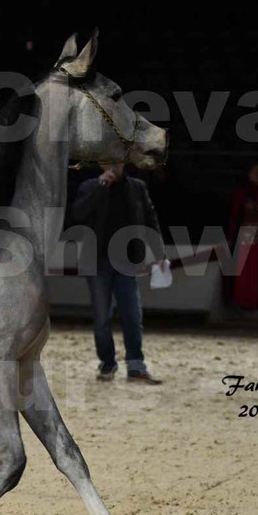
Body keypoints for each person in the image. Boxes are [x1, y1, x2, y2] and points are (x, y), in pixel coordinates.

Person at [70, 163, 167, 384]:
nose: (113, 165)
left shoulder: (137, 187)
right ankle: (107, 364)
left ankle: (136, 367)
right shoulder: (90, 186)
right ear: (101, 164)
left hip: (127, 262)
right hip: (97, 262)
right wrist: (100, 186)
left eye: (117, 161)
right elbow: (78, 214)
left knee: (132, 316)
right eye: (107, 161)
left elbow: (151, 220)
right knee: (102, 319)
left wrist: (160, 254)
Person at [229, 162, 258, 309]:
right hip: (247, 232)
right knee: (247, 269)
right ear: (248, 173)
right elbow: (235, 215)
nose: (257, 174)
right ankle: (245, 300)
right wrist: (231, 235)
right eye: (254, 171)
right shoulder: (241, 192)